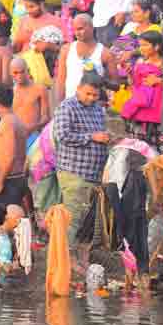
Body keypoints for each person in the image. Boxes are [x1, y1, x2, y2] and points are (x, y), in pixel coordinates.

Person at [53, 72, 110, 251]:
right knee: (73, 217)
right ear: (78, 88)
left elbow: (99, 134)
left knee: (86, 219)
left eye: (95, 95)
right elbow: (62, 135)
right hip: (74, 173)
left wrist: (107, 138)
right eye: (88, 94)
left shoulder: (97, 109)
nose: (92, 98)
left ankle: (77, 254)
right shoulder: (67, 107)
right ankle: (64, 258)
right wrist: (92, 137)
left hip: (93, 174)